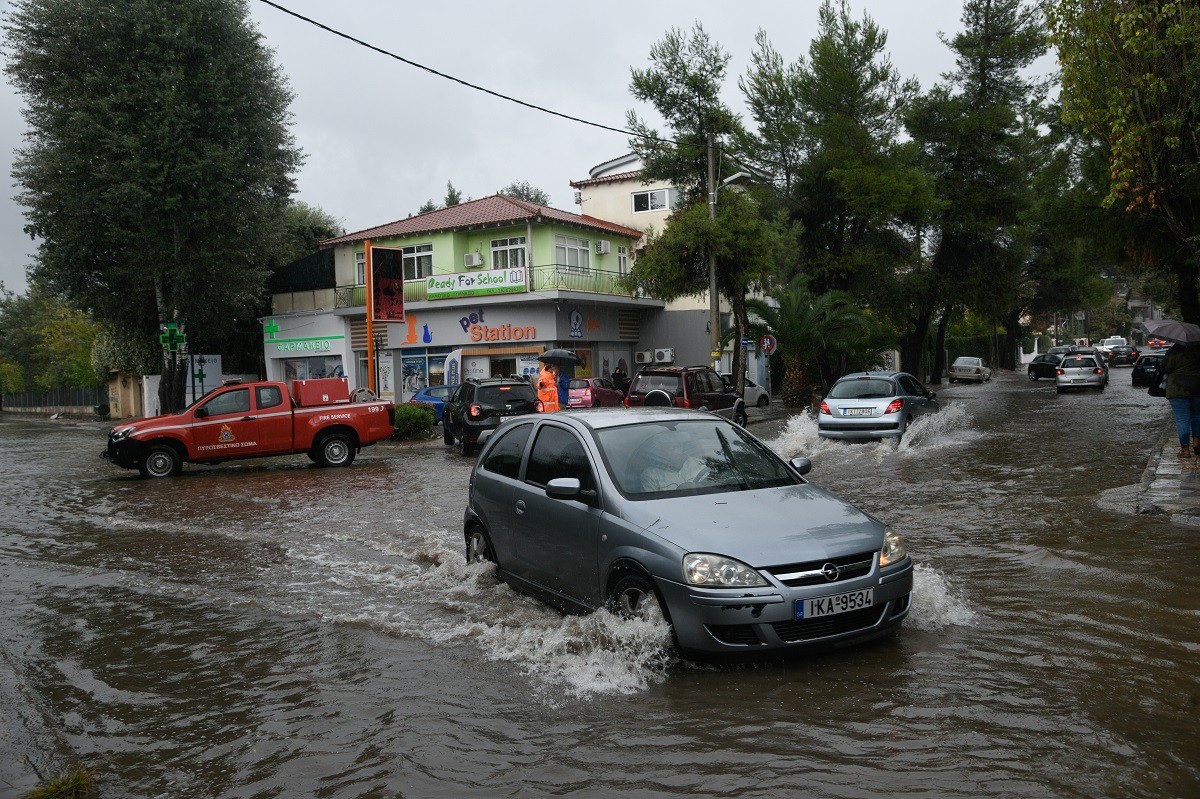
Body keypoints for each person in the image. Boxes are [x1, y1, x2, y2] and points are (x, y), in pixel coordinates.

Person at [1163, 342, 1200, 458]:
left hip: (1177, 389)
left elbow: (1164, 368)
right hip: (1197, 387)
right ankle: (1197, 442)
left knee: (1182, 419)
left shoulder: (1173, 352)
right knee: (1197, 415)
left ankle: (1185, 450)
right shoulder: (1198, 351)